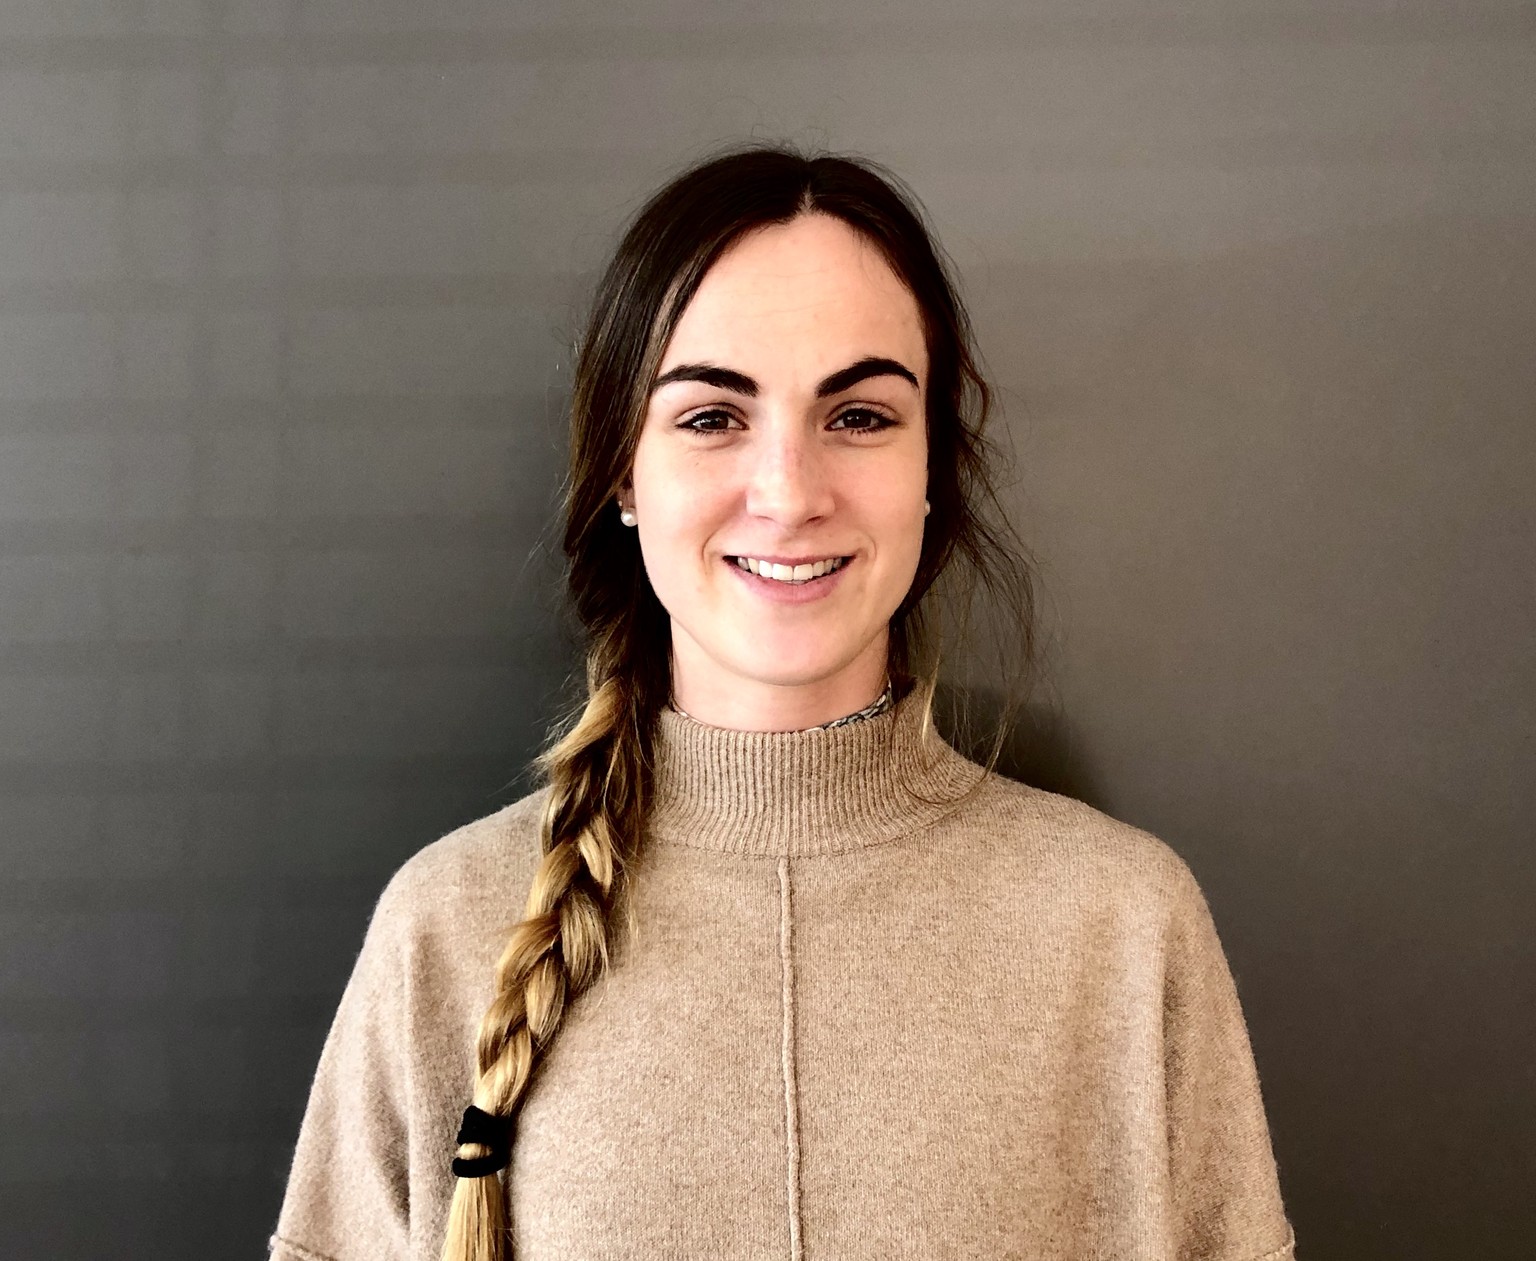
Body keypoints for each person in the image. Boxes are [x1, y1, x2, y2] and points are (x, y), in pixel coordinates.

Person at [270, 146, 1294, 1261]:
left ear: (932, 466)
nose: (789, 493)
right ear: (623, 473)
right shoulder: (445, 931)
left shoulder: (1126, 929)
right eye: (713, 416)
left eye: (858, 415)